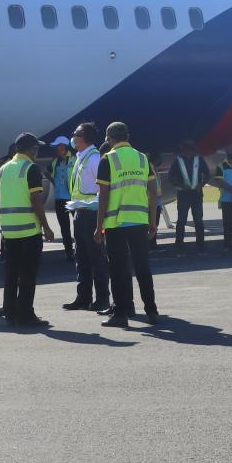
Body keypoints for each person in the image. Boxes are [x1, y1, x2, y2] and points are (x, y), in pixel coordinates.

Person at [95, 121, 160, 328]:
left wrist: (99, 226)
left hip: (115, 223)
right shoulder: (143, 159)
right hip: (140, 220)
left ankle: (121, 314)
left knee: (118, 270)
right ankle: (151, 310)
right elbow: (153, 193)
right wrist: (152, 221)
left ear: (109, 139)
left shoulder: (108, 160)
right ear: (128, 137)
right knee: (142, 267)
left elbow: (103, 197)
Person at [0, 132, 55, 327]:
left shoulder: (3, 169)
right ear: (31, 150)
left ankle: (10, 312)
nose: (37, 152)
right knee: (28, 275)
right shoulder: (31, 169)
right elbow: (36, 201)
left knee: (11, 273)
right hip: (29, 230)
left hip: (9, 230)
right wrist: (46, 227)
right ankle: (26, 314)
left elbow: (1, 199)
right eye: (36, 149)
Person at [62, 122, 112, 313]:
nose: (73, 137)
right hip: (79, 212)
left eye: (76, 134)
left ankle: (102, 299)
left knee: (96, 257)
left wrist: (100, 220)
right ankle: (83, 297)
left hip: (91, 214)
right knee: (81, 257)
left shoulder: (93, 158)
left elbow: (103, 190)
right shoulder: (80, 157)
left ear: (85, 138)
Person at [168, 139, 211, 251]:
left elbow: (207, 174)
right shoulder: (178, 161)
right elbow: (171, 177)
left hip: (196, 194)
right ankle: (179, 244)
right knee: (181, 221)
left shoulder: (199, 160)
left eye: (189, 150)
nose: (187, 153)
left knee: (198, 220)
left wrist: (202, 184)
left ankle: (200, 244)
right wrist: (181, 185)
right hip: (183, 194)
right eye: (185, 150)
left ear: (192, 150)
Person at [48, 136, 75, 262]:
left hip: (74, 198)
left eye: (58, 147)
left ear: (64, 147)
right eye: (56, 148)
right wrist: (54, 182)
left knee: (79, 225)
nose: (57, 150)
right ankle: (69, 251)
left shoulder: (75, 159)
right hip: (60, 199)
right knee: (64, 227)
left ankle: (81, 249)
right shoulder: (55, 162)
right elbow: (49, 174)